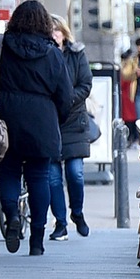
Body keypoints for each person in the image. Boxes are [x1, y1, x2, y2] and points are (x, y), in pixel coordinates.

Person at [0, 0, 73, 257]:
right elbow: (65, 95)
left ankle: (12, 218)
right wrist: (56, 119)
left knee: (7, 172)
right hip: (42, 123)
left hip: (6, 119)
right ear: (44, 24)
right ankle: (37, 240)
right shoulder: (52, 53)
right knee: (39, 177)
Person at [47, 15, 91, 241]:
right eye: (50, 30)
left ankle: (78, 213)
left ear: (64, 33)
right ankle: (60, 223)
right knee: (53, 177)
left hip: (74, 121)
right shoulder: (42, 54)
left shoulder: (76, 54)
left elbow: (86, 84)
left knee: (75, 173)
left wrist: (68, 99)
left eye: (57, 30)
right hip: (50, 121)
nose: (54, 34)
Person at [121, 48, 139, 146]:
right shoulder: (130, 65)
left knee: (131, 116)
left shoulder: (129, 65)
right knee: (130, 116)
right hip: (128, 92)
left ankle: (133, 137)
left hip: (130, 92)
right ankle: (133, 137)